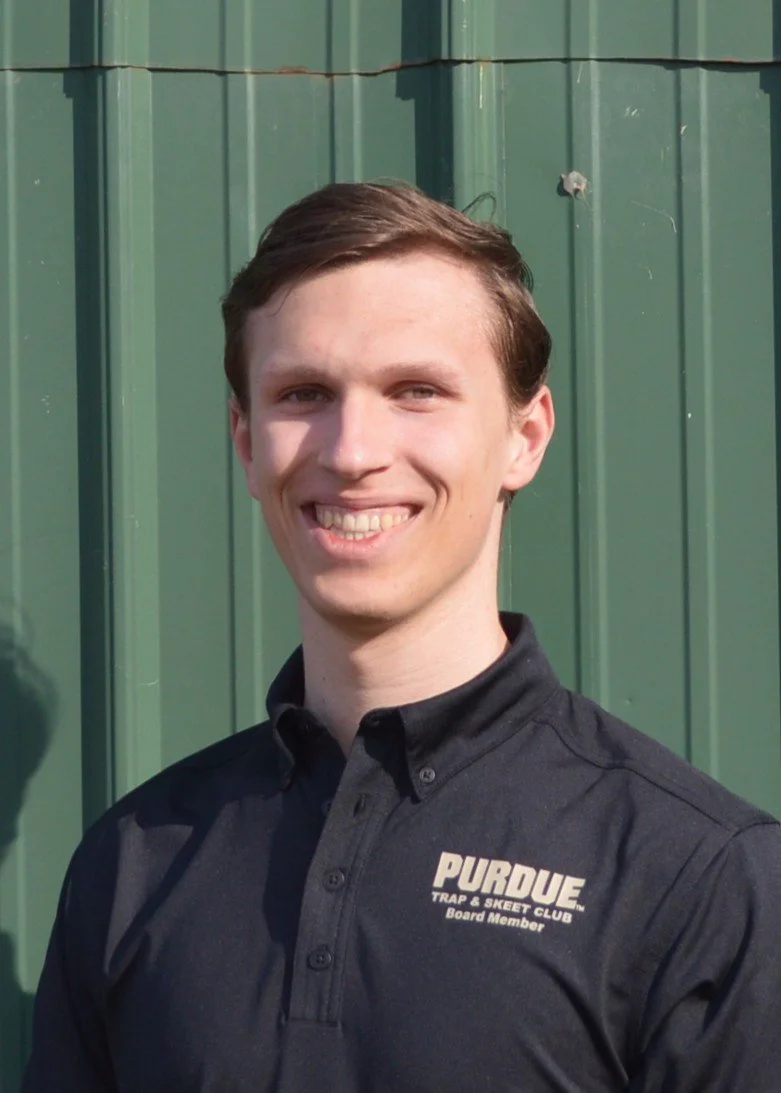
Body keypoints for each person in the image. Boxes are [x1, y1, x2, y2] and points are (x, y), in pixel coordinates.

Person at [24, 182, 781, 1092]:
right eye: (303, 392)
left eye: (415, 390)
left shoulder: (695, 873)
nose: (351, 450)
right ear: (245, 439)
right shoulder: (131, 863)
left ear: (524, 436)